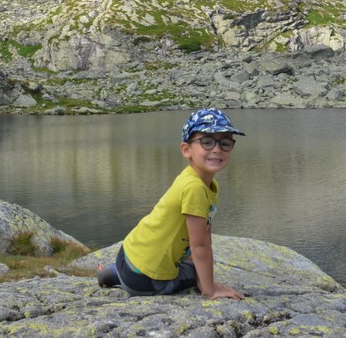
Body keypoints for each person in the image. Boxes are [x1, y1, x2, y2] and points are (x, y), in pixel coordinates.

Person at [97, 108, 246, 300]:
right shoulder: (194, 188)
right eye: (207, 142)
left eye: (225, 143)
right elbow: (199, 245)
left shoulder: (199, 180)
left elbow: (204, 229)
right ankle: (128, 280)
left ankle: (114, 274)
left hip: (128, 255)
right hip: (146, 279)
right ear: (186, 150)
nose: (217, 149)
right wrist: (210, 289)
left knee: (195, 265)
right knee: (194, 273)